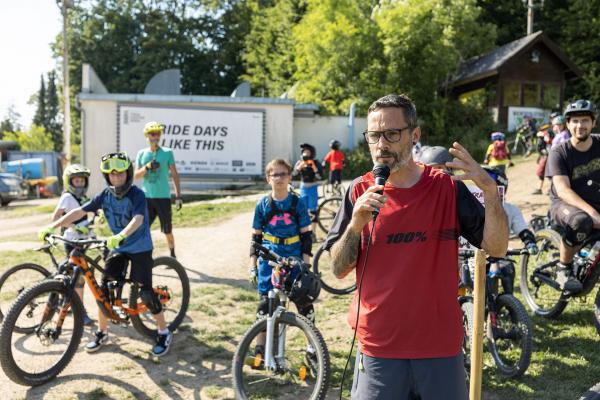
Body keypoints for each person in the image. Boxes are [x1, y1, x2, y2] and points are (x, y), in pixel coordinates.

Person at [324, 94, 508, 400]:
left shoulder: (446, 189)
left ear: (415, 135)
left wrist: (489, 192)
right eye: (374, 136)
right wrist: (356, 224)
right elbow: (337, 268)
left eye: (392, 134)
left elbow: (497, 247)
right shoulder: (358, 191)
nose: (382, 145)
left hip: (439, 347)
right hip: (379, 348)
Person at [39, 152, 173, 356]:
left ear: (128, 174)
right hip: (118, 247)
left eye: (120, 174)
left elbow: (137, 219)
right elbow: (79, 212)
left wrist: (121, 235)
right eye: (112, 175)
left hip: (140, 247)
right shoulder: (104, 195)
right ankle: (102, 332)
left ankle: (163, 331)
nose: (116, 178)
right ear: (106, 176)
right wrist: (52, 226)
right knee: (103, 292)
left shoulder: (137, 194)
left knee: (145, 293)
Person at [249, 158, 317, 367]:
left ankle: (313, 348)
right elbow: (256, 239)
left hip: (293, 258)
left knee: (304, 303)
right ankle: (260, 349)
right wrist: (252, 266)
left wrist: (305, 266)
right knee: (265, 304)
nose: (279, 178)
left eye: (283, 174)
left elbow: (306, 238)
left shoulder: (297, 203)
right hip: (269, 259)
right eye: (274, 174)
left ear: (289, 177)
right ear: (268, 179)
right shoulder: (262, 204)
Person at [546, 99, 600, 293]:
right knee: (581, 221)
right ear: (567, 124)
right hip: (564, 203)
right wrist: (593, 213)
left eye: (585, 120)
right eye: (575, 121)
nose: (580, 126)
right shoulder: (559, 152)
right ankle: (563, 267)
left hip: (595, 201)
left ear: (593, 122)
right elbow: (562, 190)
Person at [52, 164, 94, 325]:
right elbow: (55, 219)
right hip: (71, 239)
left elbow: (92, 213)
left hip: (85, 239)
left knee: (75, 273)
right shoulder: (67, 197)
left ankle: (68, 303)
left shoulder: (84, 198)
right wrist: (74, 226)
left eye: (82, 181)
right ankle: (80, 311)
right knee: (77, 275)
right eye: (76, 181)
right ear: (69, 182)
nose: (80, 184)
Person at [134, 121, 182, 259]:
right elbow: (136, 176)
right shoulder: (141, 153)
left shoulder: (167, 152)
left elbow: (174, 174)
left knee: (167, 229)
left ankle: (172, 255)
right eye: (152, 133)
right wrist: (147, 167)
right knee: (143, 229)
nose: (155, 136)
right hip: (146, 197)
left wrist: (178, 196)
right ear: (147, 136)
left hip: (163, 197)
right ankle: (144, 254)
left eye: (158, 133)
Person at [482, 166, 539, 277]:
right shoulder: (471, 206)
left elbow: (522, 230)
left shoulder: (511, 210)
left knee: (508, 268)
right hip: (475, 255)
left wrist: (529, 241)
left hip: (498, 253)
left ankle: (508, 294)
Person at [294, 143, 322, 234]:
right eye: (304, 152)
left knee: (313, 211)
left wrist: (314, 168)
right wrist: (298, 168)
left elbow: (320, 177)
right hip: (303, 188)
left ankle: (313, 233)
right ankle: (304, 232)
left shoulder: (316, 162)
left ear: (312, 153)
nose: (306, 154)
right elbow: (293, 175)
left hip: (313, 187)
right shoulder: (299, 162)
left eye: (308, 152)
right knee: (303, 210)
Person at [532, 123, 554, 194]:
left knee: (547, 173)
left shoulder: (547, 134)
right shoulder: (545, 134)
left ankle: (552, 189)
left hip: (547, 156)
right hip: (545, 155)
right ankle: (540, 188)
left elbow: (548, 144)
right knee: (542, 173)